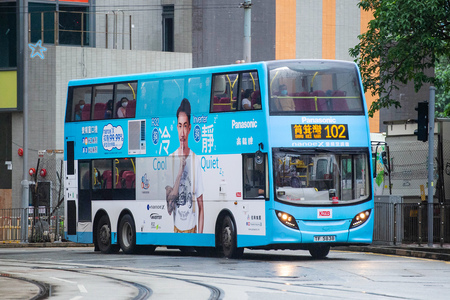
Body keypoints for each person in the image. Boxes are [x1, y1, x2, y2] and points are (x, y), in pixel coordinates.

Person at [165, 98, 204, 233]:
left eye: (185, 126)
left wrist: (200, 237)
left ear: (189, 128)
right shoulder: (171, 159)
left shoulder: (195, 159)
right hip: (176, 230)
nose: (182, 133)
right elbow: (169, 209)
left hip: (192, 229)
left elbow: (201, 206)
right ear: (177, 127)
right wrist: (180, 171)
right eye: (179, 125)